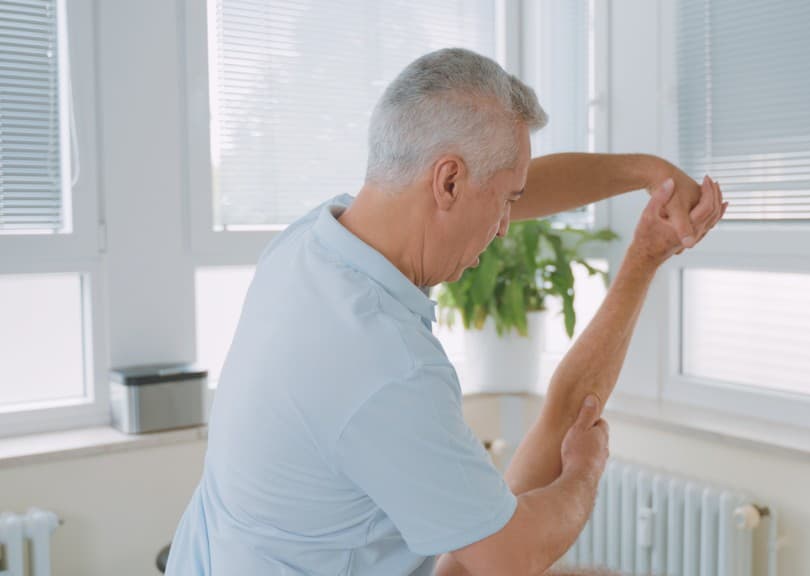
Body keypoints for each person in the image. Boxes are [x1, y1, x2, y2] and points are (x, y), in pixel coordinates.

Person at [165, 47, 724, 576]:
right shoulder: (385, 365)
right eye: (505, 202)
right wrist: (585, 471)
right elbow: (508, 557)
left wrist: (648, 173)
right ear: (449, 180)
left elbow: (517, 189)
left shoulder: (314, 242)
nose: (508, 224)